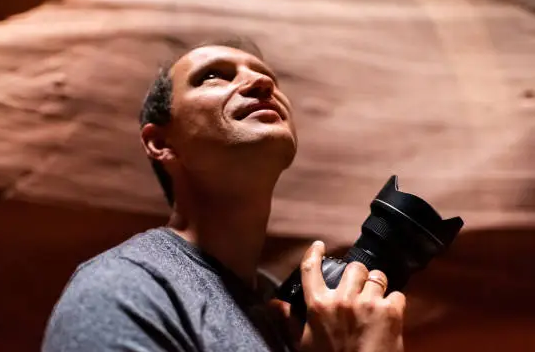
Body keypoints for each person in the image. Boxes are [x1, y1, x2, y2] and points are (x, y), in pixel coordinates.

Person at [42, 38, 406, 352]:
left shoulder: (283, 311)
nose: (262, 82)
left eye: (270, 78)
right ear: (161, 142)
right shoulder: (122, 289)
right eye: (214, 75)